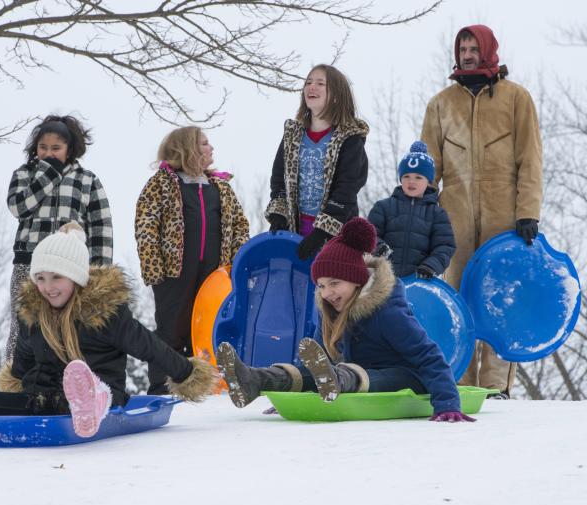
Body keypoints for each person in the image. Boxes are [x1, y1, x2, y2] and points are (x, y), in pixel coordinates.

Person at [0, 223, 215, 442]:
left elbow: (151, 347)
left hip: (107, 395)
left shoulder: (105, 315)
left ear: (75, 277)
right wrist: (12, 390)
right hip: (44, 398)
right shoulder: (33, 316)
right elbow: (22, 366)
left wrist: (187, 372)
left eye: (56, 278)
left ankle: (91, 402)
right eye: (40, 279)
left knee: (95, 388)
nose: (47, 287)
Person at [216, 217, 474, 423]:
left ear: (356, 279)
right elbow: (317, 361)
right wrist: (292, 396)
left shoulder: (386, 310)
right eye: (321, 285)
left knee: (352, 374)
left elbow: (428, 355)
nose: (327, 293)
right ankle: (254, 379)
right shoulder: (328, 309)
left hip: (405, 376)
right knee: (317, 371)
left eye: (335, 283)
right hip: (344, 374)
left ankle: (337, 381)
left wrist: (447, 403)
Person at [421, 25, 543, 397]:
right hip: (453, 219)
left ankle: (495, 386)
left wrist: (528, 213)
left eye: (474, 47)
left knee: (499, 298)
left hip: (503, 218)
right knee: (456, 300)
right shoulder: (441, 104)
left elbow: (530, 160)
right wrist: (423, 211)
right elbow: (429, 166)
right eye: (463, 48)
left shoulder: (515, 99)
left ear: (488, 50)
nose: (468, 54)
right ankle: (460, 382)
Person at [135, 126, 249, 395]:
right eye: (205, 144)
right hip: (173, 273)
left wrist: (235, 266)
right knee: (171, 328)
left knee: (208, 325)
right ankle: (163, 385)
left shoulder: (220, 187)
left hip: (214, 273)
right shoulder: (161, 184)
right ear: (187, 150)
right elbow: (146, 226)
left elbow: (239, 225)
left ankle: (210, 384)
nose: (211, 149)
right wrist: (155, 270)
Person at [5, 115, 113, 361]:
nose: (48, 153)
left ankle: (68, 380)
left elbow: (101, 226)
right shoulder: (24, 174)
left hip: (70, 267)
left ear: (69, 149)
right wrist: (47, 175)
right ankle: (14, 380)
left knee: (67, 326)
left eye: (56, 148)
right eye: (43, 147)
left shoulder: (87, 180)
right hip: (29, 264)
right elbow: (18, 208)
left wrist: (100, 271)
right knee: (23, 324)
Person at [266, 64, 369, 260]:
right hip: (294, 230)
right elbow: (279, 179)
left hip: (337, 235)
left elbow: (346, 189)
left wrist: (322, 232)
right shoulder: (292, 135)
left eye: (320, 83)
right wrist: (279, 215)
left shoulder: (350, 139)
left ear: (337, 95)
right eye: (308, 82)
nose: (311, 87)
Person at [367, 141, 455, 279]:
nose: (411, 181)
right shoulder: (383, 207)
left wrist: (431, 266)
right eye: (406, 176)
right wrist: (377, 247)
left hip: (419, 281)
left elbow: (444, 246)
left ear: (428, 181)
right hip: (383, 280)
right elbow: (368, 234)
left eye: (418, 177)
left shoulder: (437, 214)